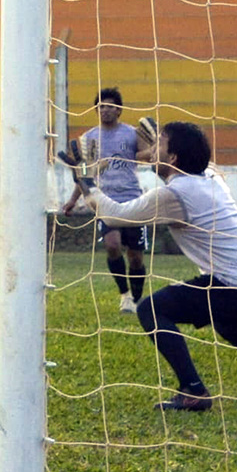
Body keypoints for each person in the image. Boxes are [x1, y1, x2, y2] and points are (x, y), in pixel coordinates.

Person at [64, 121, 237, 411]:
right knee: (229, 325)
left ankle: (194, 391)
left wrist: (82, 177)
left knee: (152, 309)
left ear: (174, 157)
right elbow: (200, 158)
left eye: (158, 145)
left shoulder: (175, 194)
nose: (151, 151)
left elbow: (114, 216)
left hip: (235, 287)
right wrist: (161, 145)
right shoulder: (210, 176)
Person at [62, 87, 156, 314]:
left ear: (119, 110)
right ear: (96, 109)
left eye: (111, 106)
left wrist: (140, 152)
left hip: (132, 199)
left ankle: (136, 297)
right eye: (102, 106)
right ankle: (124, 295)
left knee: (135, 257)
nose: (106, 110)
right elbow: (85, 175)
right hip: (105, 200)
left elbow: (148, 154)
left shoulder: (131, 133)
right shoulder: (89, 139)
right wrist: (72, 200)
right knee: (112, 246)